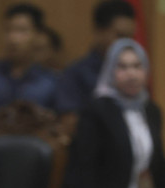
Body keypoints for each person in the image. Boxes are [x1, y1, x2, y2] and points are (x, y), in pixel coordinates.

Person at [60, 39, 165, 188]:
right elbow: (85, 167)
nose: (131, 74)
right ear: (110, 71)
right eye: (123, 67)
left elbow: (159, 166)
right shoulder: (97, 110)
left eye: (137, 66)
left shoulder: (151, 111)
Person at [54, 0, 137, 138]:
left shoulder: (133, 75)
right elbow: (70, 124)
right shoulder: (75, 74)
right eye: (120, 36)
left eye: (130, 37)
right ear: (99, 31)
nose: (126, 44)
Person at [0, 3, 58, 121]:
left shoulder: (51, 81)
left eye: (21, 30)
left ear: (38, 35)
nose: (13, 38)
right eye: (8, 30)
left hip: (32, 138)